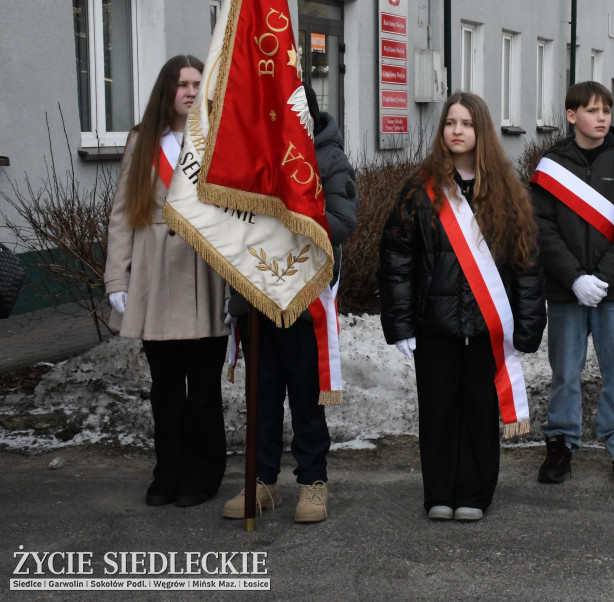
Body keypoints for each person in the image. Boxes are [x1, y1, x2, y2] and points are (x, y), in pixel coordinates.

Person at [378, 92, 545, 521]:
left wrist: (527, 326)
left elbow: (526, 263)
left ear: (481, 131)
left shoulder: (507, 190)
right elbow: (397, 260)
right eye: (450, 122)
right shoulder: (419, 189)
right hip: (435, 326)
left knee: (479, 412)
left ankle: (473, 492)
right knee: (437, 411)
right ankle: (438, 492)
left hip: (487, 328)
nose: (457, 130)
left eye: (466, 124)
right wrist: (400, 324)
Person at [221, 82, 358, 523]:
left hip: (302, 297)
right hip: (256, 294)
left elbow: (341, 220)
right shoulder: (251, 155)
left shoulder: (329, 159)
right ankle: (261, 481)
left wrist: (286, 224)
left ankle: (312, 481)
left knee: (305, 395)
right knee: (260, 394)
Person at [104, 54, 230, 508]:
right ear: (167, 90)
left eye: (198, 84)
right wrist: (117, 277)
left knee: (204, 387)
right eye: (183, 84)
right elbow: (122, 216)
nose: (191, 92)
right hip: (156, 274)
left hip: (206, 273)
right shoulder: (143, 142)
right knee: (165, 388)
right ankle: (168, 471)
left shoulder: (216, 137)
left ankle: (204, 471)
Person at [531, 81, 614, 486]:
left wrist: (600, 277)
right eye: (593, 111)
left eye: (606, 111)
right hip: (566, 291)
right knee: (565, 371)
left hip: (613, 291)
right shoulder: (550, 165)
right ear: (571, 115)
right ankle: (561, 443)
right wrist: (575, 277)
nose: (602, 118)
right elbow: (542, 230)